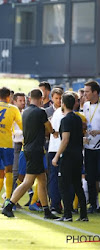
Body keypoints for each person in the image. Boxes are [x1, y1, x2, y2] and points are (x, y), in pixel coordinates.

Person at [2, 88, 58, 219]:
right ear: (41, 98)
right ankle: (9, 205)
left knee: (42, 180)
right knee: (28, 182)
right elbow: (49, 128)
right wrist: (54, 131)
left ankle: (46, 211)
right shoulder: (41, 112)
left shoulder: (25, 111)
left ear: (29, 98)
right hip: (36, 150)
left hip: (27, 148)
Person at [52, 92, 88, 222]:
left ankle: (67, 214)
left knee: (63, 185)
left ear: (63, 104)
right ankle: (83, 214)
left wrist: (56, 156)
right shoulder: (78, 118)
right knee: (77, 185)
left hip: (68, 157)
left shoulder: (66, 120)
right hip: (78, 155)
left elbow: (65, 140)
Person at [0, 87, 22, 210]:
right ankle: (7, 200)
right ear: (9, 97)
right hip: (7, 144)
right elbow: (21, 125)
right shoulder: (14, 109)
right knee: (9, 171)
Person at [83, 80, 100, 213]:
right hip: (89, 147)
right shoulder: (85, 105)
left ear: (95, 92)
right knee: (90, 177)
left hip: (99, 147)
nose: (85, 94)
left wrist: (98, 132)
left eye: (87, 91)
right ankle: (93, 205)